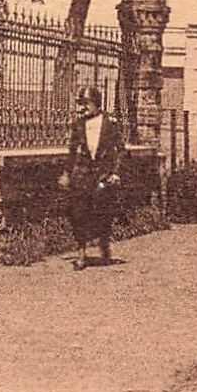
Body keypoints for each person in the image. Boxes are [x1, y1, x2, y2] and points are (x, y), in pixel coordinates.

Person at [64, 85, 124, 268]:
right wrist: (67, 173)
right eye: (79, 104)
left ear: (96, 103)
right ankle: (81, 253)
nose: (82, 108)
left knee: (102, 212)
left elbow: (120, 150)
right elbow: (72, 152)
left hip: (103, 175)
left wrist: (115, 173)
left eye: (85, 103)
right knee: (78, 212)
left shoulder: (110, 123)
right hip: (82, 175)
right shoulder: (78, 124)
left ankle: (104, 247)